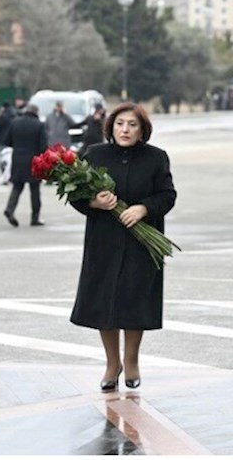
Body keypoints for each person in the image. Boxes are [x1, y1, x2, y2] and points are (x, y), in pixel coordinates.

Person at [69, 102, 177, 392]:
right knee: (105, 302)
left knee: (134, 301)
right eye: (119, 124)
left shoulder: (156, 158)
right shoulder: (94, 155)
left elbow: (167, 195)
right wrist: (94, 203)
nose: (125, 130)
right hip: (104, 240)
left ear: (142, 130)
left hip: (141, 241)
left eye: (132, 125)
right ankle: (111, 363)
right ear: (110, 127)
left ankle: (131, 362)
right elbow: (76, 195)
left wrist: (144, 209)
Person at [2, 104, 47, 227]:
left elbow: (7, 141)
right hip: (33, 161)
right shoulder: (39, 125)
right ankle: (35, 217)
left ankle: (9, 209)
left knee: (17, 186)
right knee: (35, 189)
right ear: (36, 112)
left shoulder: (15, 122)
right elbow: (43, 146)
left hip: (17, 159)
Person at [0, 101, 17, 184]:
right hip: (13, 142)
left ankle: (4, 177)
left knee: (3, 161)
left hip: (3, 142)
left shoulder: (3, 116)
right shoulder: (15, 115)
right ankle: (11, 176)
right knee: (11, 161)